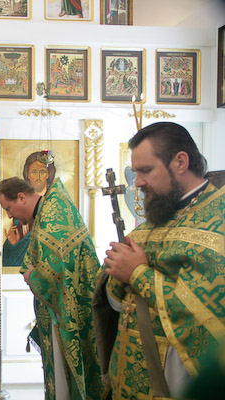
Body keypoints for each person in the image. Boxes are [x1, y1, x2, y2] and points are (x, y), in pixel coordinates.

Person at [99, 122, 225, 399]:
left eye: (146, 171)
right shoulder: (156, 219)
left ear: (180, 162)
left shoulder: (220, 218)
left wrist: (137, 273)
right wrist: (116, 272)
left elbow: (208, 317)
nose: (138, 182)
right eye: (136, 172)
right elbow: (117, 303)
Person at [0, 176, 104, 399]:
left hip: (66, 312)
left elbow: (57, 273)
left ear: (21, 197)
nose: (9, 216)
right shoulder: (47, 211)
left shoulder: (51, 216)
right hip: (62, 308)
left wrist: (32, 275)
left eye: (8, 208)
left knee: (64, 378)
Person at [3, 152, 56, 267]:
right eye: (34, 172)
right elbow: (11, 254)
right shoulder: (20, 207)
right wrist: (12, 244)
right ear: (27, 175)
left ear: (48, 174)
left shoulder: (53, 204)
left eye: (42, 172)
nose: (38, 177)